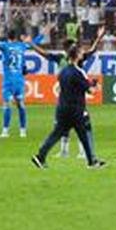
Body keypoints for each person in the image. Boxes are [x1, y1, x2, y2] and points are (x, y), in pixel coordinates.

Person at [31, 25, 104, 159]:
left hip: (69, 91)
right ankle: (76, 153)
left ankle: (72, 152)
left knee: (65, 124)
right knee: (78, 123)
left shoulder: (67, 60)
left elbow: (92, 50)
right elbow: (44, 54)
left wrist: (99, 37)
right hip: (73, 92)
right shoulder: (69, 60)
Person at [0, 27, 41, 138]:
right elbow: (35, 42)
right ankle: (23, 131)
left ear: (7, 37)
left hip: (8, 80)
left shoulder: (4, 46)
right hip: (19, 80)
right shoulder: (22, 46)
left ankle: (5, 131)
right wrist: (42, 34)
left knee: (7, 104)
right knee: (21, 105)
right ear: (16, 37)